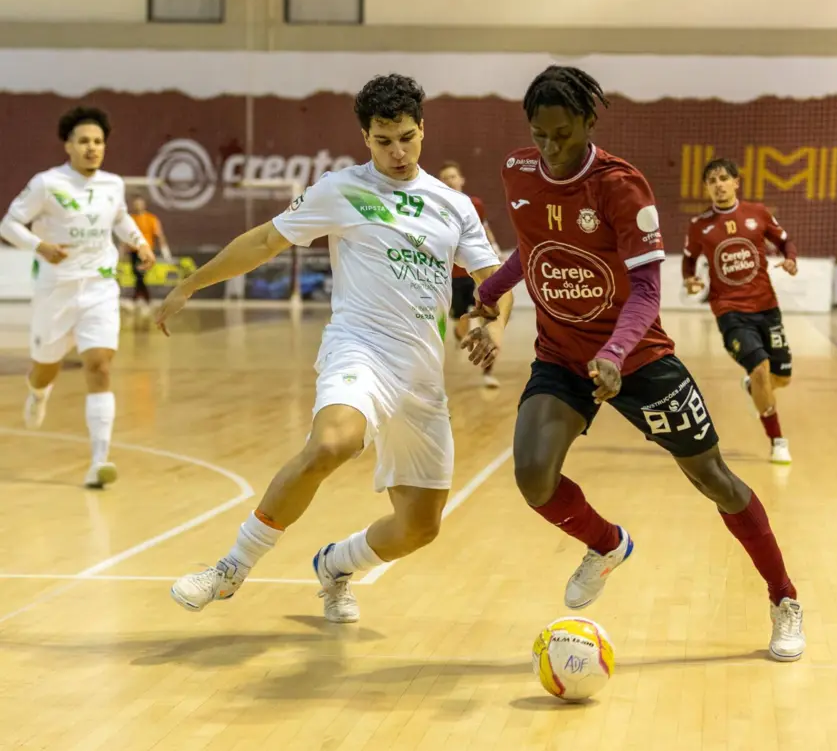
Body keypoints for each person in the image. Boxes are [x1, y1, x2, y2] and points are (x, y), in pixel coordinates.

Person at [464, 65, 805, 662]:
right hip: (560, 356)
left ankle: (784, 598)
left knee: (713, 479)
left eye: (563, 135)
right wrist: (488, 294)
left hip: (638, 357)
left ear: (588, 122)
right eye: (540, 135)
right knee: (533, 476)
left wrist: (615, 353)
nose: (551, 148)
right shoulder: (518, 169)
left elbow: (648, 292)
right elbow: (532, 246)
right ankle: (607, 544)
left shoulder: (621, 186)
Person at [155, 74, 511, 623]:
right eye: (384, 141)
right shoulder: (340, 190)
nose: (398, 152)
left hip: (421, 375)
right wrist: (190, 284)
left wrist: (493, 326)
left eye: (407, 138)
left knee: (420, 527)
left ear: (423, 129)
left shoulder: (453, 205)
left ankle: (335, 566)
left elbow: (495, 281)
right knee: (330, 444)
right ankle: (230, 568)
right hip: (360, 349)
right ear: (365, 137)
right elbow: (265, 241)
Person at [0, 106, 156, 488]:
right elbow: (9, 224)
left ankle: (99, 461)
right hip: (56, 291)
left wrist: (139, 242)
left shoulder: (113, 185)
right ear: (68, 145)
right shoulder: (46, 183)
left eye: (98, 141)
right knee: (44, 369)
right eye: (84, 141)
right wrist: (40, 246)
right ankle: (38, 392)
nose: (92, 148)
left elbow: (119, 218)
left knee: (100, 366)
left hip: (100, 288)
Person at [682, 157, 798, 464]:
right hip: (729, 311)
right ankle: (777, 441)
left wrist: (790, 259)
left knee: (781, 378)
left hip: (767, 307)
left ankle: (753, 388)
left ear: (736, 182)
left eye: (723, 178)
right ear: (706, 188)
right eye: (712, 181)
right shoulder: (700, 225)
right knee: (760, 368)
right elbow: (689, 260)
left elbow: (785, 241)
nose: (718, 185)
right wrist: (690, 279)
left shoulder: (758, 213)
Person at [438, 160, 502, 388]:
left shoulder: (474, 204)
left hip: (478, 271)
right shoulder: (435, 208)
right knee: (461, 319)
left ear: (461, 180)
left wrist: (495, 251)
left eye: (453, 176)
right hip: (452, 276)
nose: (450, 181)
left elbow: (485, 228)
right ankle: (460, 333)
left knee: (488, 319)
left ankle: (488, 372)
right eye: (445, 178)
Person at [125, 195, 172, 326]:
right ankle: (139, 301)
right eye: (135, 203)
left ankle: (142, 301)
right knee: (137, 275)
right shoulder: (130, 219)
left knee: (140, 275)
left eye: (140, 203)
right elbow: (125, 236)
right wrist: (121, 251)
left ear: (144, 204)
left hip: (146, 251)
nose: (137, 206)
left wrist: (165, 251)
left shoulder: (151, 218)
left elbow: (159, 235)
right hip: (133, 251)